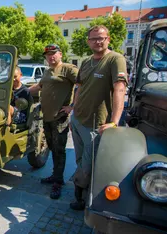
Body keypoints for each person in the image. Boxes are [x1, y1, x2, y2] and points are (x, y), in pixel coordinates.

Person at [69, 25, 127, 210]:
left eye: (101, 38)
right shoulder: (86, 62)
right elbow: (79, 87)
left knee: (88, 163)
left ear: (108, 39)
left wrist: (115, 121)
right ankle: (83, 191)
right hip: (78, 119)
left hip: (97, 122)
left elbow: (120, 88)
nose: (98, 41)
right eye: (94, 38)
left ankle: (81, 197)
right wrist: (73, 111)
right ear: (88, 42)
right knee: (80, 159)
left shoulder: (115, 59)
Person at [29, 44, 79, 199]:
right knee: (51, 148)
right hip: (48, 117)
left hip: (60, 118)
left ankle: (58, 181)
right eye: (48, 55)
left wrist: (72, 106)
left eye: (53, 54)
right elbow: (39, 87)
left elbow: (82, 86)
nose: (50, 57)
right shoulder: (47, 71)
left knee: (59, 150)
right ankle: (55, 175)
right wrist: (16, 90)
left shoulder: (69, 69)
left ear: (60, 54)